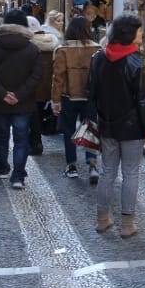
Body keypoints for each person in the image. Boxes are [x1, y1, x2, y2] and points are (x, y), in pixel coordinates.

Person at [87, 14, 145, 237]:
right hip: (132, 128)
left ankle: (102, 220)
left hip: (107, 125)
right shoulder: (137, 61)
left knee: (107, 171)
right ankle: (127, 225)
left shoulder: (99, 58)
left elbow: (92, 93)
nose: (142, 34)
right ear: (130, 33)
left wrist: (96, 119)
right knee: (130, 173)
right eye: (139, 31)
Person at [0, 9, 44, 190]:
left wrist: (2, 93)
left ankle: (1, 167)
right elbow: (37, 75)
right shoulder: (32, 49)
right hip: (23, 102)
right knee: (21, 139)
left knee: (0, 136)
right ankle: (18, 176)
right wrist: (20, 94)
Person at [52, 14, 102, 183]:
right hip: (90, 97)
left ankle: (72, 165)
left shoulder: (63, 50)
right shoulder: (96, 49)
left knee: (68, 131)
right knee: (91, 129)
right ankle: (92, 164)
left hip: (69, 96)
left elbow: (58, 77)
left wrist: (55, 100)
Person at [26, 15, 61, 156]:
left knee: (33, 117)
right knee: (40, 114)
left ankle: (35, 143)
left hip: (33, 87)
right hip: (48, 87)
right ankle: (37, 140)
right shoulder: (53, 41)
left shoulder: (28, 44)